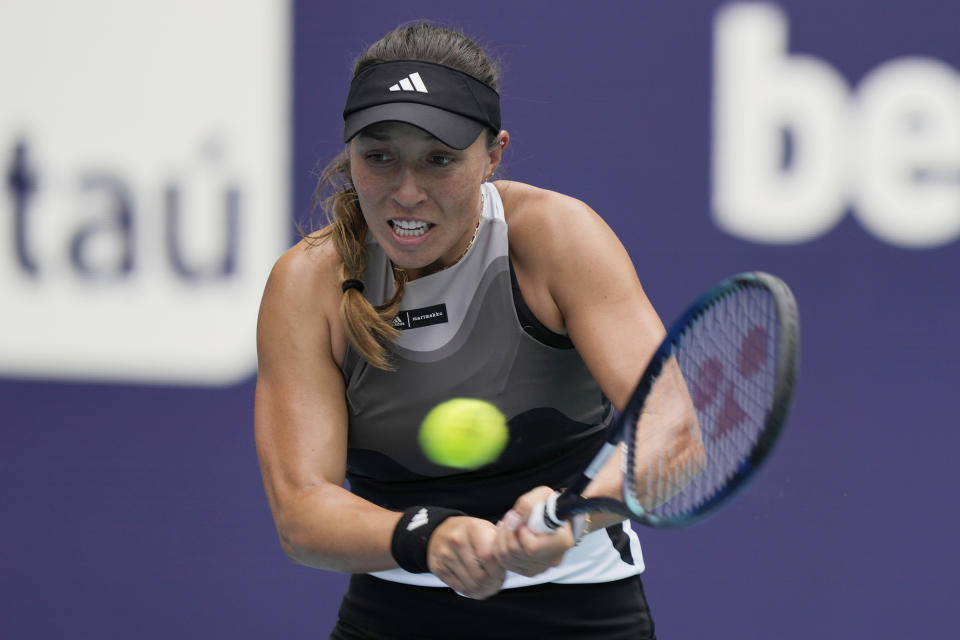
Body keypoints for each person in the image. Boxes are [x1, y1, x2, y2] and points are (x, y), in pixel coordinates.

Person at [255, 22, 691, 639]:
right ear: (349, 152)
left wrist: (570, 515)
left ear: (494, 154)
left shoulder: (555, 236)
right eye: (379, 157)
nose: (407, 193)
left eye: (440, 160)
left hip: (584, 614)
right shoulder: (307, 283)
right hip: (394, 615)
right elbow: (301, 512)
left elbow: (673, 432)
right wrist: (429, 536)